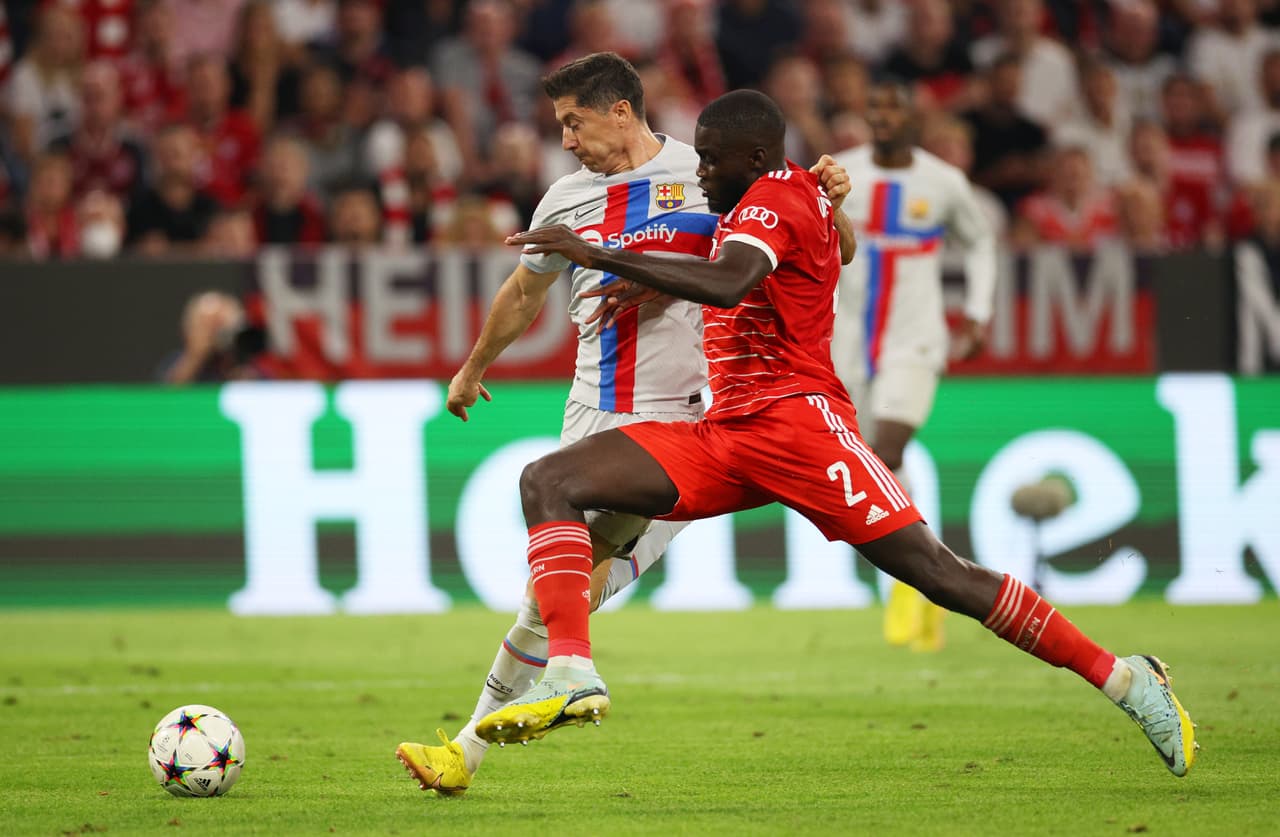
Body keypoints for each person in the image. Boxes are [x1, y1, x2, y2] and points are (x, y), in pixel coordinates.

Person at [472, 89, 1196, 782]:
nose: (701, 173)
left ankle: (1128, 680)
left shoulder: (773, 200)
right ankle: (571, 671)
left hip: (802, 431)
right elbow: (827, 254)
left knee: (942, 575)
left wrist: (595, 254)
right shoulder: (780, 192)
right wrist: (815, 211)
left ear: (755, 158)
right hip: (727, 434)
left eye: (713, 161)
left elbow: (729, 282)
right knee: (550, 480)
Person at [394, 51, 853, 797]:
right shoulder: (562, 201)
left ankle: (496, 728)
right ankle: (482, 740)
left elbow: (795, 250)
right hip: (593, 407)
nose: (566, 140)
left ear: (621, 112)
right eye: (559, 128)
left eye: (574, 123)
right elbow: (522, 291)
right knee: (548, 594)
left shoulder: (709, 173)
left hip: (688, 420)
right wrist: (472, 367)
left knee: (560, 589)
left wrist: (832, 198)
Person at [830, 82, 996, 653]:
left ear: (913, 120)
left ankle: (912, 582)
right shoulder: (840, 174)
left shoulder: (942, 183)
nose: (879, 117)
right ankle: (925, 570)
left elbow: (980, 243)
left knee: (888, 452)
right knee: (866, 456)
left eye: (890, 107)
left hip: (914, 339)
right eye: (872, 107)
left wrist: (975, 313)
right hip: (847, 339)